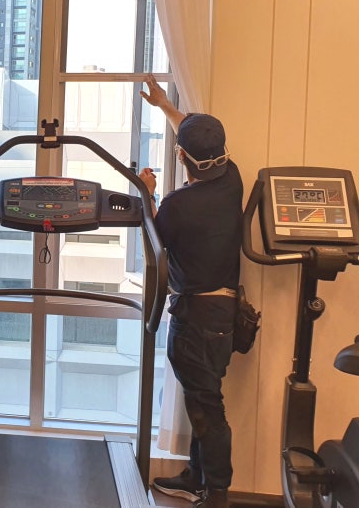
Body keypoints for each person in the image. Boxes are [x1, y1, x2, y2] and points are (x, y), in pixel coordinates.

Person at [138, 75, 243, 508]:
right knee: (204, 400)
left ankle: (216, 493)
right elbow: (196, 138)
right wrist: (166, 105)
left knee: (207, 409)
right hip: (225, 317)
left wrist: (146, 194)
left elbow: (154, 241)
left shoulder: (178, 206)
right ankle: (197, 479)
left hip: (196, 320)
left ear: (180, 156)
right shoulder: (232, 179)